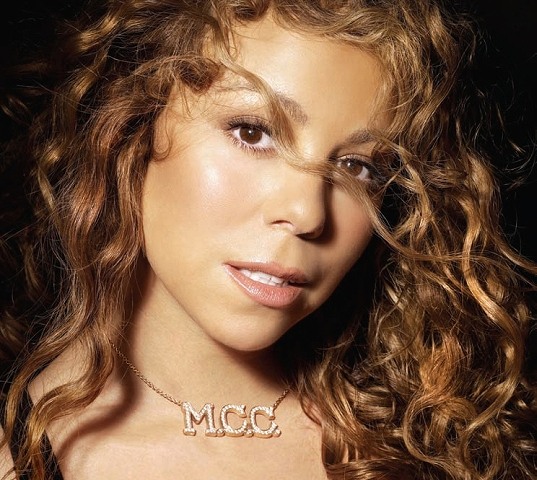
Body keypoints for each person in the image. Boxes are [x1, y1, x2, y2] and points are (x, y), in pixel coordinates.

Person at [0, 0, 535, 479]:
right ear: (129, 129)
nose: (307, 214)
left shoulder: (441, 438)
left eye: (357, 167)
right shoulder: (21, 460)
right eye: (252, 132)